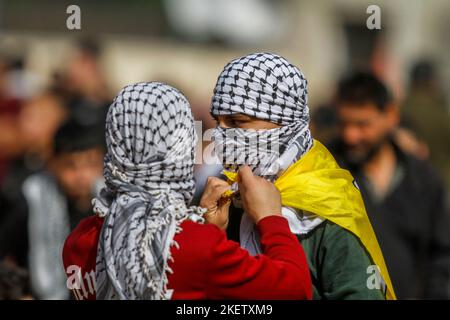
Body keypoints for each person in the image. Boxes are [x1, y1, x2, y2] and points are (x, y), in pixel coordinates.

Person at [62, 82, 312, 300]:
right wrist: (271, 218)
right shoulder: (195, 245)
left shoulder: (79, 242)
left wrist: (209, 230)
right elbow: (295, 288)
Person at [205, 52, 394, 300]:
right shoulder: (226, 200)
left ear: (286, 123)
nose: (220, 135)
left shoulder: (327, 206)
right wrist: (211, 236)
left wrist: (270, 221)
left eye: (237, 122)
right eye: (217, 122)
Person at [329, 72, 450, 299]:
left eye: (362, 124)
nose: (351, 136)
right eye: (344, 124)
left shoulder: (422, 178)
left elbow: (440, 255)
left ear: (391, 115)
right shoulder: (328, 171)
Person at [0, 119, 104, 299]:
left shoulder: (109, 202)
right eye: (70, 166)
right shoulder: (32, 198)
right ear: (53, 163)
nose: (81, 175)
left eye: (90, 164)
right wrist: (18, 292)